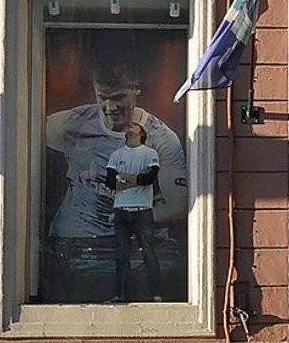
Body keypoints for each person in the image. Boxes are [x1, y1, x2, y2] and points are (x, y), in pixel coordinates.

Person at [43, 67, 188, 303]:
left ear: (136, 89)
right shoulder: (73, 124)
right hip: (76, 252)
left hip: (134, 254)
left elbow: (179, 206)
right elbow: (20, 134)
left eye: (119, 97)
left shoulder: (160, 139)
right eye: (103, 97)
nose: (110, 108)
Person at [105, 122, 163, 303]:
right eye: (128, 127)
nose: (129, 128)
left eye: (134, 126)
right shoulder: (116, 155)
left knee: (149, 254)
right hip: (121, 210)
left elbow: (149, 178)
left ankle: (156, 293)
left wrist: (125, 177)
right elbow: (110, 182)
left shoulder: (150, 153)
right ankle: (121, 294)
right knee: (121, 256)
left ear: (141, 133)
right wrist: (136, 179)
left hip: (142, 210)